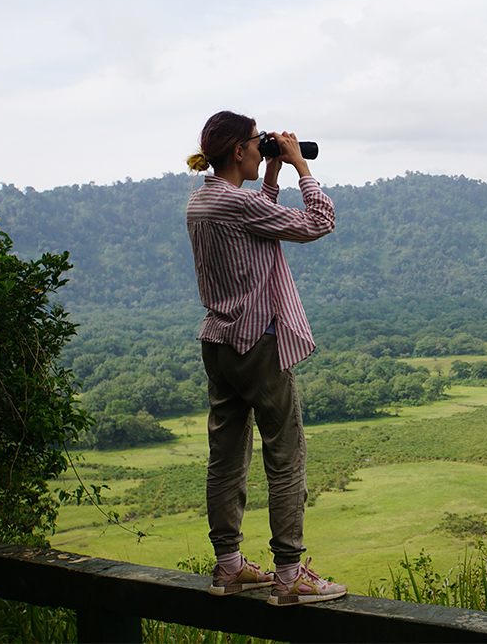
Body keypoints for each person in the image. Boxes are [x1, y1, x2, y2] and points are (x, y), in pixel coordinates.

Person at [185, 110, 346, 606]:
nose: (262, 149)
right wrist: (301, 168)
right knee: (285, 454)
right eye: (258, 144)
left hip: (219, 341)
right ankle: (290, 573)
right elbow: (319, 222)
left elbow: (255, 225)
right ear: (238, 151)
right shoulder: (236, 205)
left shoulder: (202, 201)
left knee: (227, 456)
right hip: (259, 343)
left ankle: (229, 566)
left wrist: (270, 177)